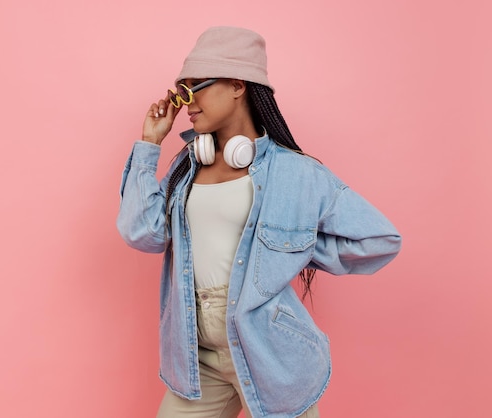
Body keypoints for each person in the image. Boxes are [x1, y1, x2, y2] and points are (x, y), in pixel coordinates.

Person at [117, 26, 401, 418]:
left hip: (271, 354)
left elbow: (380, 239)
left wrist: (287, 246)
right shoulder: (187, 166)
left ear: (237, 85)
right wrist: (150, 144)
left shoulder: (295, 173)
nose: (186, 103)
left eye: (195, 87)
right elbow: (142, 233)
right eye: (181, 91)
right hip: (198, 360)